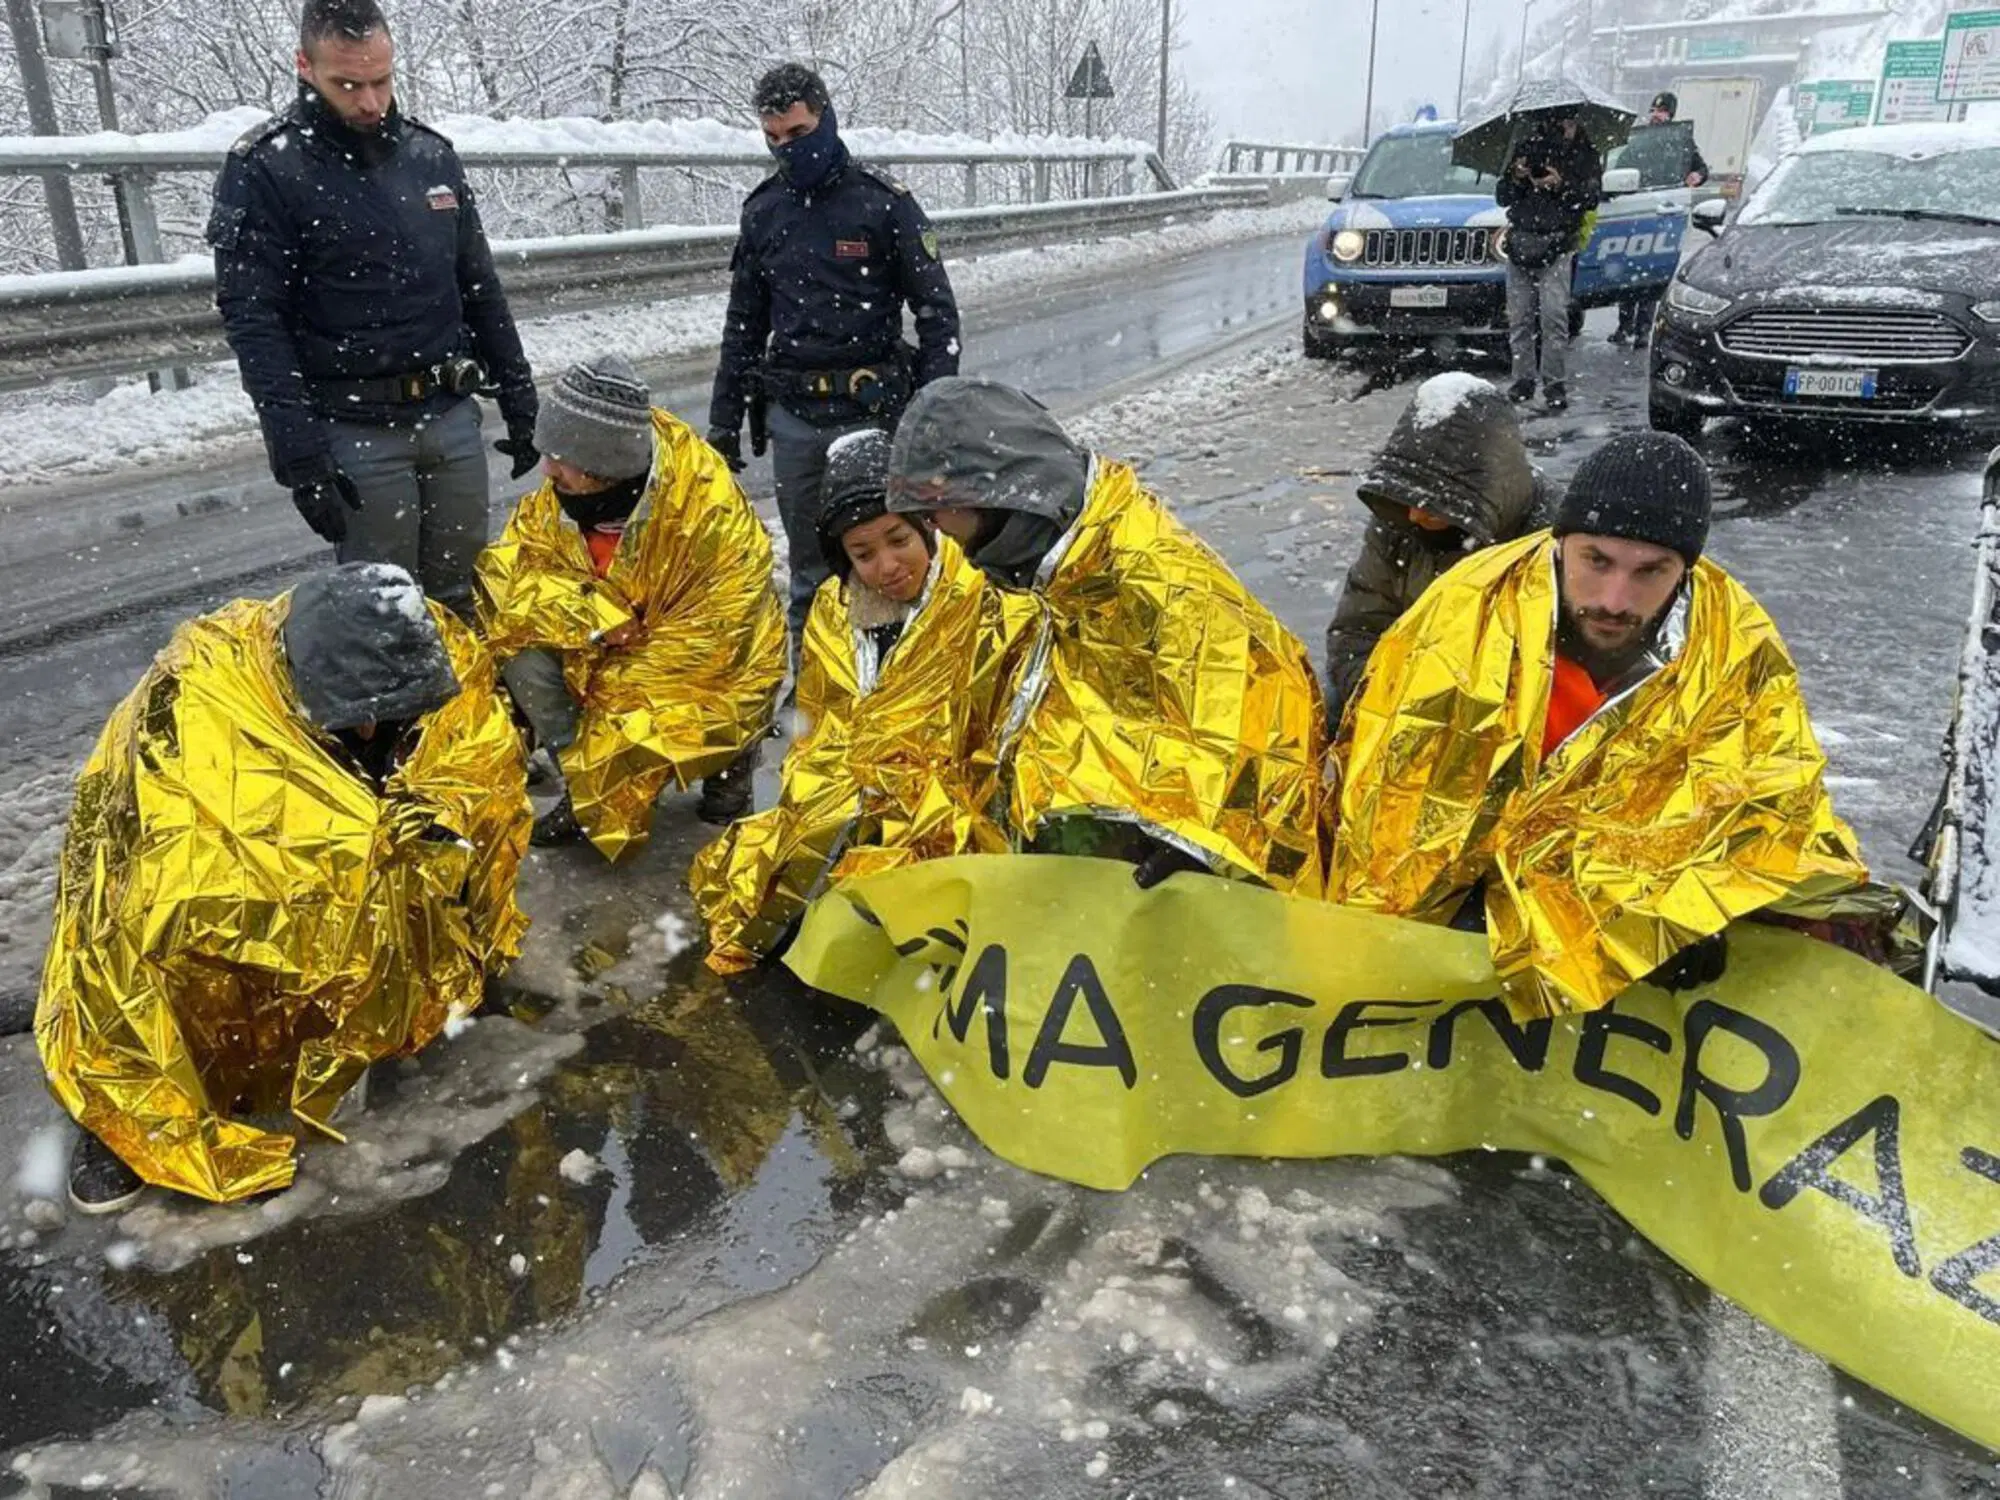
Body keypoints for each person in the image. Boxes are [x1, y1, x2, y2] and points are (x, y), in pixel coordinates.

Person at [1327, 431, 1878, 1020]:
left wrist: (1693, 909)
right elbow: (1394, 799)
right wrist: (1470, 904)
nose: (1615, 599)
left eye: (1650, 571)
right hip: (1455, 976)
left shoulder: (1733, 646)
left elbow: (1766, 802)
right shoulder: (1468, 612)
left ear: (1685, 569)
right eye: (1597, 561)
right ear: (1561, 543)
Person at [39, 564, 531, 1211]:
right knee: (172, 924)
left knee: (445, 839)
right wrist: (360, 837)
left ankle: (420, 983)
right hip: (185, 883)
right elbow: (176, 870)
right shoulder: (201, 701)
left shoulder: (427, 651)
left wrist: (427, 819)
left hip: (352, 818)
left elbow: (480, 769)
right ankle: (131, 1108)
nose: (375, 733)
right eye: (365, 722)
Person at [886, 377, 1327, 895]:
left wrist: (1199, 843)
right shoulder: (1036, 570)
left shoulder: (1151, 577)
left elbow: (1261, 714)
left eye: (939, 503)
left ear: (994, 492)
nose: (934, 525)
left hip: (1163, 898)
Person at [207, 0, 538, 617]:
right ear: (306, 66)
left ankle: (467, 715)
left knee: (463, 599)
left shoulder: (431, 157)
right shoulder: (267, 168)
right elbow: (255, 322)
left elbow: (478, 286)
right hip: (354, 427)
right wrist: (299, 455)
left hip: (449, 414)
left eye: (381, 81)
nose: (369, 102)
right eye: (348, 84)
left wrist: (520, 395)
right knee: (384, 616)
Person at [690, 431, 1041, 974]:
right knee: (790, 855)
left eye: (898, 539)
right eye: (863, 554)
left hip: (950, 784)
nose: (887, 566)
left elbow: (1001, 720)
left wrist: (904, 771)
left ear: (927, 526)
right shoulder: (836, 610)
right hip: (857, 780)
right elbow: (819, 718)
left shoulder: (983, 594)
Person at [476, 356, 787, 859]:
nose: (546, 469)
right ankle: (587, 789)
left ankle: (730, 762)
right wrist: (595, 617)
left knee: (662, 712)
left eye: (560, 457)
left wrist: (614, 684)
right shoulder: (559, 498)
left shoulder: (702, 507)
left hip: (708, 662)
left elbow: (722, 634)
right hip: (604, 644)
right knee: (520, 654)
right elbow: (505, 577)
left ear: (607, 464)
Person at [706, 62, 962, 652]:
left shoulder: (882, 204)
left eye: (796, 134)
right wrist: (724, 420)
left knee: (889, 564)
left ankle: (902, 679)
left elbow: (936, 315)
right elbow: (743, 325)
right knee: (810, 573)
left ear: (825, 118)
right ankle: (816, 701)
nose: (785, 149)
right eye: (772, 138)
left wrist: (930, 413)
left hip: (874, 410)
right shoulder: (764, 211)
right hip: (795, 417)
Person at [1323, 373, 1548, 725]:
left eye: (1433, 504)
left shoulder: (1547, 541)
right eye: (1410, 499)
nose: (1414, 514)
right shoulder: (1398, 520)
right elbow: (1358, 629)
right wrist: (1386, 704)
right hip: (1403, 700)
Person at [1495, 109, 1602, 412]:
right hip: (1521, 241)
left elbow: (1591, 198)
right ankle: (1523, 380)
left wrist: (1560, 185)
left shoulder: (1586, 155)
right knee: (1519, 317)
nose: (1566, 128)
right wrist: (1517, 177)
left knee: (1554, 317)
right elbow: (1503, 196)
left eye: (1571, 122)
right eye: (1561, 122)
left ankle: (1554, 383)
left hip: (1558, 242)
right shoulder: (1527, 148)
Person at [1611, 93, 1710, 348]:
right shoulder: (1639, 141)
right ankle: (1624, 326)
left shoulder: (1680, 142)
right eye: (1654, 109)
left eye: (1663, 111)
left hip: (1663, 211)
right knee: (1629, 268)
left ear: (1671, 115)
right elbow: (1622, 165)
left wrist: (1696, 176)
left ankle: (1643, 330)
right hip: (1635, 208)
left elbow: (1701, 169)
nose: (1657, 114)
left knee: (1650, 271)